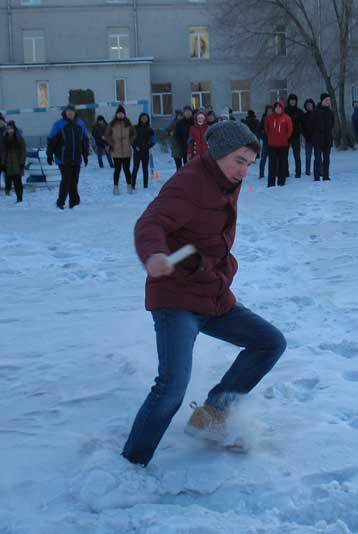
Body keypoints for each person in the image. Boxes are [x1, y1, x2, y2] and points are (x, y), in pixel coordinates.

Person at [121, 120, 286, 466]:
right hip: (176, 297)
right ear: (220, 153)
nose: (244, 171)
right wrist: (153, 254)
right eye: (239, 161)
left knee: (269, 342)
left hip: (210, 292)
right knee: (172, 385)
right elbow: (151, 221)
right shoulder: (190, 183)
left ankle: (210, 418)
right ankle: (133, 462)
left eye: (250, 164)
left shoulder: (225, 178)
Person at [47, 104, 90, 209]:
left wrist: (85, 155)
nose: (70, 113)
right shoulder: (59, 124)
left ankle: (74, 202)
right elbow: (51, 140)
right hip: (63, 158)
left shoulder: (80, 124)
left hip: (76, 157)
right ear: (65, 113)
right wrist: (49, 154)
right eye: (68, 111)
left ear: (75, 113)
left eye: (72, 111)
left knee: (74, 180)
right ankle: (60, 202)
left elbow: (85, 140)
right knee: (66, 180)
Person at [104, 105, 136, 195]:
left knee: (126, 169)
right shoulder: (112, 124)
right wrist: (112, 143)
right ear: (116, 114)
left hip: (126, 151)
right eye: (119, 113)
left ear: (124, 114)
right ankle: (116, 187)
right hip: (116, 150)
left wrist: (130, 141)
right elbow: (107, 135)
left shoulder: (128, 124)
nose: (120, 115)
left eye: (122, 113)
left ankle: (129, 186)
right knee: (117, 170)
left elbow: (134, 134)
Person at [264, 100, 293, 187]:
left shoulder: (286, 118)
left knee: (282, 164)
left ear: (282, 108)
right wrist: (271, 137)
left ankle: (281, 182)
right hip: (272, 145)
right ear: (274, 108)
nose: (278, 109)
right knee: (272, 164)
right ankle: (271, 183)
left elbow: (290, 130)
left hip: (283, 145)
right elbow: (266, 129)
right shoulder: (269, 117)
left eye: (279, 107)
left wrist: (284, 138)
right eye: (276, 107)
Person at [2, 120, 26, 202]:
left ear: (14, 129)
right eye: (8, 129)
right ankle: (8, 193)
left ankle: (20, 198)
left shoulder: (19, 138)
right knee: (8, 180)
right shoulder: (5, 139)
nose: (10, 130)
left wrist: (22, 163)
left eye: (11, 128)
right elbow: (4, 152)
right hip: (8, 164)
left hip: (17, 163)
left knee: (18, 182)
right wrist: (3, 163)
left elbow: (23, 151)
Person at [312, 93, 334, 182]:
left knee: (326, 159)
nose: (328, 102)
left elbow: (332, 124)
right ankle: (316, 176)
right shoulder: (316, 111)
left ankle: (326, 176)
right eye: (326, 100)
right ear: (322, 101)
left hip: (327, 139)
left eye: (329, 100)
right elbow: (311, 125)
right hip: (318, 139)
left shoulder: (330, 112)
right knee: (317, 159)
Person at [132, 113, 155, 189]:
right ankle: (132, 184)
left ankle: (145, 185)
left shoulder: (150, 129)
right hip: (137, 152)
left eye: (146, 118)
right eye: (143, 117)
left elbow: (153, 141)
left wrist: (147, 147)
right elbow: (131, 140)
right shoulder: (135, 128)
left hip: (145, 152)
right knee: (135, 168)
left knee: (145, 169)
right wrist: (135, 147)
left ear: (148, 119)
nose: (144, 119)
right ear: (140, 118)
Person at [285, 94, 304, 178]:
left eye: (294, 100)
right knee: (284, 155)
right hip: (285, 136)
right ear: (288, 101)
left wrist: (300, 131)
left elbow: (303, 123)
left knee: (297, 155)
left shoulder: (299, 111)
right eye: (291, 100)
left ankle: (298, 172)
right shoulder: (284, 111)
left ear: (296, 101)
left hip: (295, 136)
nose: (292, 101)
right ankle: (285, 172)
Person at [301, 99, 315, 176]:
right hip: (308, 138)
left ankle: (320, 169)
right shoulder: (304, 116)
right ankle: (307, 171)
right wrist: (305, 135)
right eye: (307, 105)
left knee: (318, 156)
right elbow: (302, 128)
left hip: (316, 138)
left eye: (310, 105)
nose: (309, 106)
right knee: (308, 156)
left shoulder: (316, 114)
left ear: (313, 105)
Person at [258, 105, 272, 179]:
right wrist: (263, 136)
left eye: (271, 110)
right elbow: (260, 130)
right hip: (266, 142)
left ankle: (273, 173)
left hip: (273, 143)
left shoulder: (274, 119)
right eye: (268, 110)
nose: (269, 112)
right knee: (263, 158)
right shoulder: (263, 119)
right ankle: (261, 174)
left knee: (273, 159)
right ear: (266, 111)